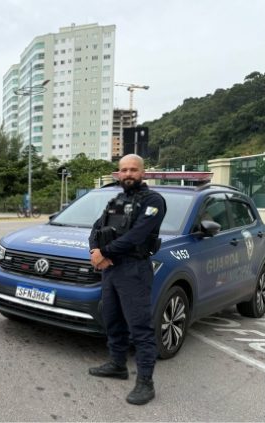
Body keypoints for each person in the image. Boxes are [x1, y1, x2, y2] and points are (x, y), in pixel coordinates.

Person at [88, 154, 166, 406]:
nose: (128, 174)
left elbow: (136, 235)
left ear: (143, 173)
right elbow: (96, 228)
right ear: (118, 174)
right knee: (112, 319)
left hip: (134, 269)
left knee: (140, 327)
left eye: (133, 169)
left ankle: (146, 382)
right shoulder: (117, 200)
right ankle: (117, 364)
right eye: (124, 170)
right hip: (111, 269)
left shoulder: (153, 201)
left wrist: (104, 253)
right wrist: (95, 252)